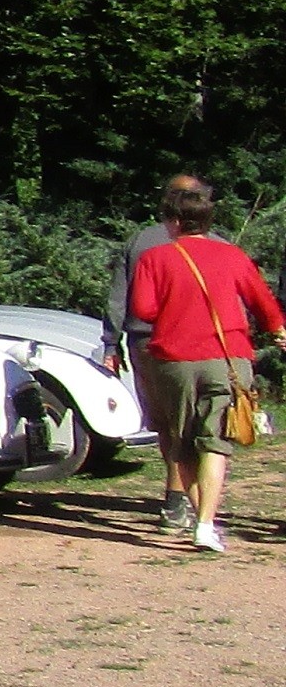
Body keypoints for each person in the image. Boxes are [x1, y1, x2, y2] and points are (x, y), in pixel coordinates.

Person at [128, 184, 277, 555]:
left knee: (181, 443)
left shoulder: (155, 258)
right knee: (216, 442)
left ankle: (199, 520)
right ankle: (207, 525)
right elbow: (263, 302)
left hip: (174, 360)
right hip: (228, 359)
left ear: (174, 222)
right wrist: (277, 330)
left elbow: (144, 310)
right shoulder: (233, 256)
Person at [109, 175, 210, 529]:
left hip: (148, 343)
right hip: (201, 344)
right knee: (199, 426)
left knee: (168, 425)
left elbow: (120, 300)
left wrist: (112, 342)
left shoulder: (141, 241)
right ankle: (193, 505)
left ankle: (177, 501)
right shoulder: (216, 244)